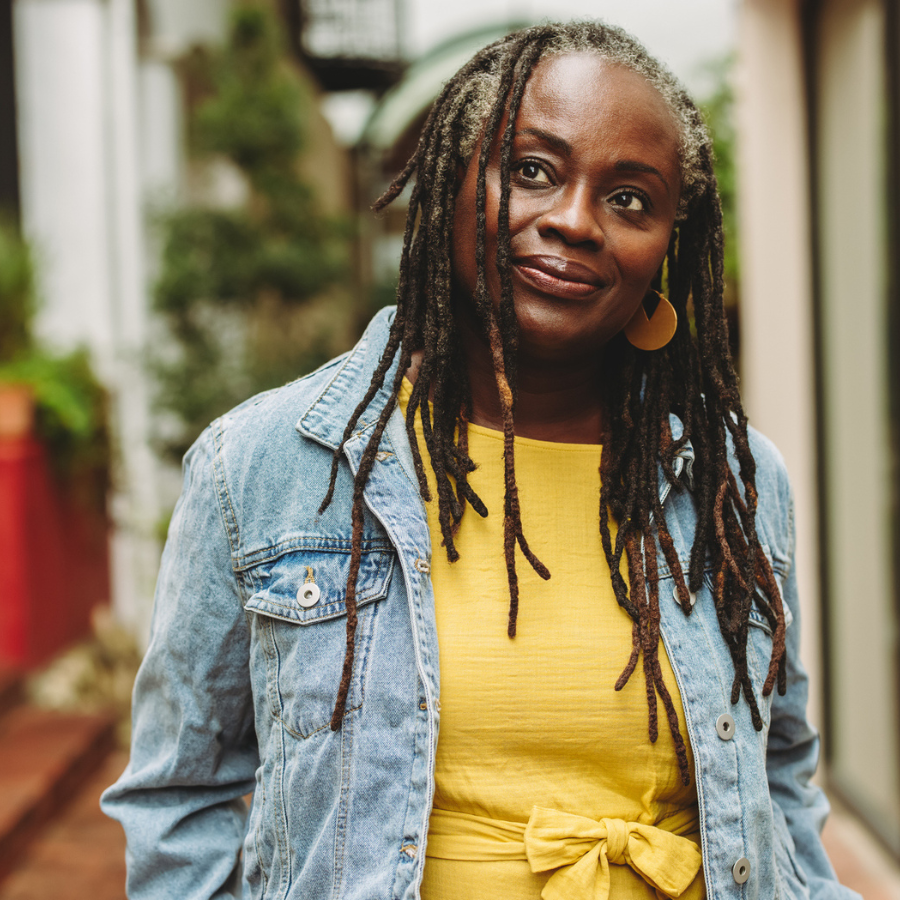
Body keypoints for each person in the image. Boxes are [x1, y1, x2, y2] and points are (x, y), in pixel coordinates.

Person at [102, 20, 860, 900]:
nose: (574, 221)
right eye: (533, 170)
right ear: (450, 182)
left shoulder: (736, 480)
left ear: (666, 251)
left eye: (630, 199)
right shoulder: (269, 466)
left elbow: (782, 774)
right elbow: (181, 798)